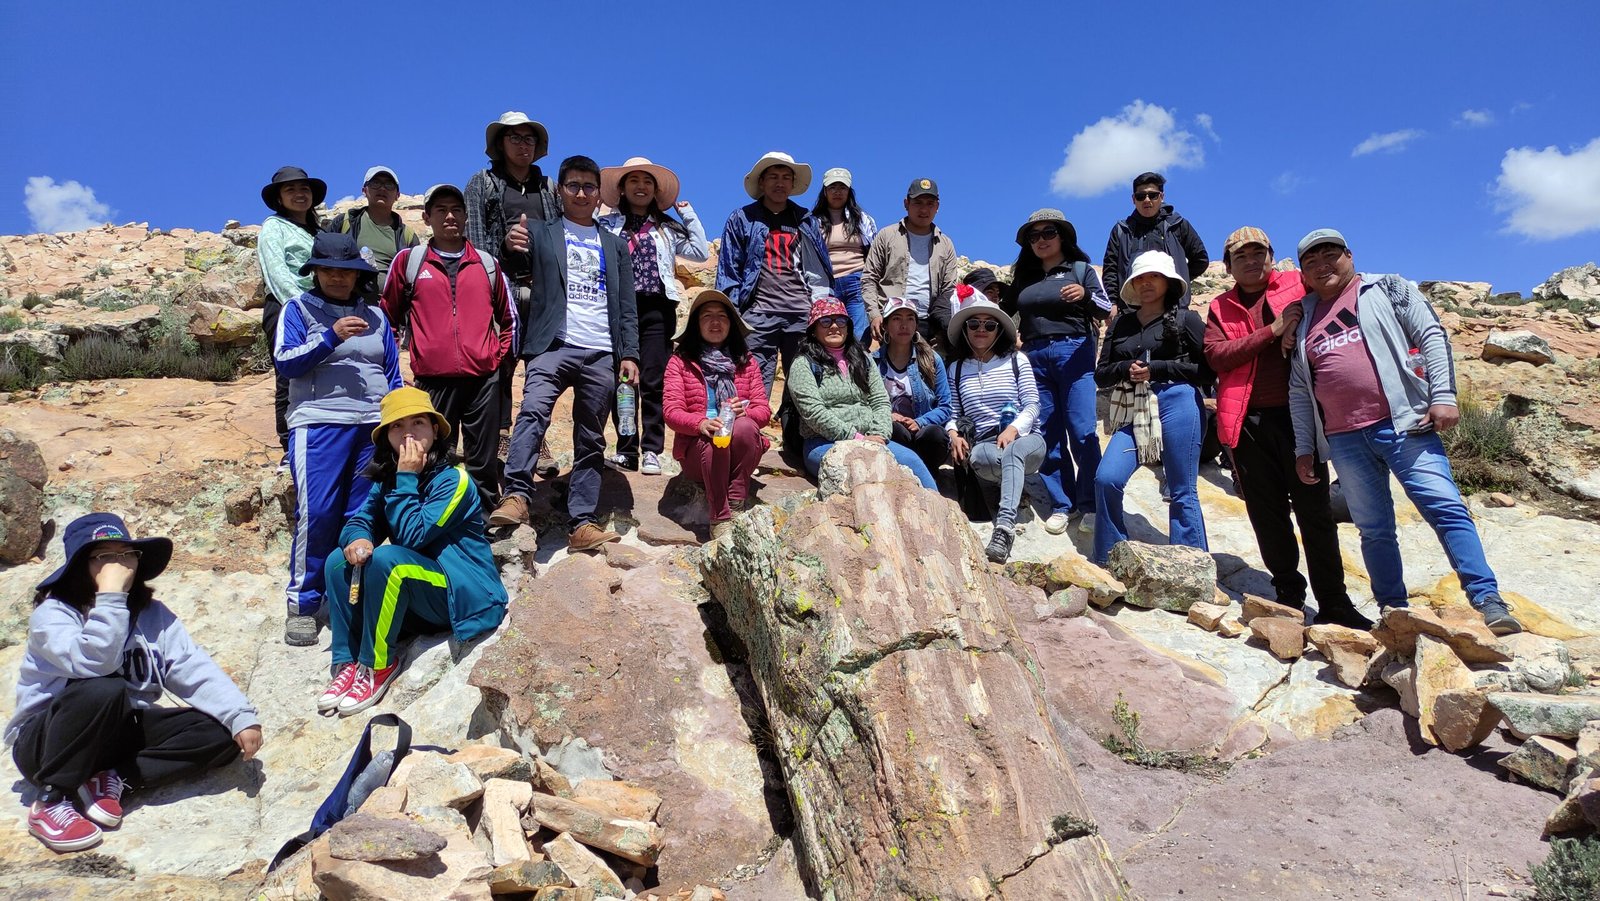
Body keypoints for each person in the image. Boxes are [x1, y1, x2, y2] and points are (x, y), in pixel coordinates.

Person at [1289, 229, 1521, 635]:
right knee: (1374, 530)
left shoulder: (1386, 288)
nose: (1322, 265)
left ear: (1349, 255)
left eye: (1331, 255)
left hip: (1404, 424)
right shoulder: (1304, 315)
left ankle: (1488, 600)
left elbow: (1430, 334)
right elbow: (1298, 386)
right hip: (1344, 437)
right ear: (1303, 273)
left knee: (1445, 509)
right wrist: (1305, 446)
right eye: (1311, 261)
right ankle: (1393, 612)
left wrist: (1443, 395)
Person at [8, 513, 261, 853]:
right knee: (104, 687)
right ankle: (53, 800)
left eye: (127, 554)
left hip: (116, 734)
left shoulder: (152, 614)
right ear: (80, 566)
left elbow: (190, 665)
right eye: (104, 557)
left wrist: (239, 716)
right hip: (48, 744)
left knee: (220, 731)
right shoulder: (54, 614)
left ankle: (113, 779)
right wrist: (110, 595)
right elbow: (95, 663)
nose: (119, 565)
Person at [1204, 228, 1370, 629]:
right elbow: (1216, 357)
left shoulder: (1299, 283)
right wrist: (1273, 331)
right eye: (1241, 256)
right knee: (1267, 513)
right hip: (1247, 422)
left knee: (1315, 511)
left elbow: (1331, 306)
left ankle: (1333, 601)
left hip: (1301, 418)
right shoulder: (1220, 306)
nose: (1251, 261)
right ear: (1228, 266)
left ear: (1271, 256)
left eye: (1258, 253)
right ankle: (1287, 594)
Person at [319, 389, 508, 716]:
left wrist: (407, 476)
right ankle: (347, 662)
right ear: (386, 437)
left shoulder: (455, 481)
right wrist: (359, 538)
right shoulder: (388, 482)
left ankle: (378, 664)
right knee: (338, 562)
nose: (408, 434)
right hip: (420, 593)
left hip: (462, 593)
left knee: (389, 561)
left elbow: (412, 536)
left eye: (418, 422)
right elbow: (361, 520)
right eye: (397, 426)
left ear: (435, 430)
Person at [490, 156, 640, 553]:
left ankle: (581, 522)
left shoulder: (615, 245)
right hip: (552, 345)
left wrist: (630, 354)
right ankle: (516, 495)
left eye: (589, 187)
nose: (581, 193)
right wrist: (509, 245)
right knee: (533, 412)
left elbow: (627, 304)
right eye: (573, 185)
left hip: (602, 351)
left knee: (591, 436)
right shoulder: (541, 231)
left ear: (599, 194)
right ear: (560, 190)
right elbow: (511, 264)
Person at [274, 233, 402, 646]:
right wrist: (330, 336)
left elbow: (392, 373)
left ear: (357, 274)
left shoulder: (377, 316)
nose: (337, 277)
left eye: (345, 271)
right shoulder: (298, 309)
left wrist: (399, 418)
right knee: (319, 512)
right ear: (315, 272)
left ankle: (348, 598)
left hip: (372, 426)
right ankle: (303, 604)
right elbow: (286, 362)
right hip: (319, 422)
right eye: (328, 270)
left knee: (360, 515)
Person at [381, 184, 516, 514]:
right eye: (441, 210)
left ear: (466, 217)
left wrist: (496, 360)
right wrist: (396, 371)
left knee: (482, 457)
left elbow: (509, 319)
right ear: (427, 217)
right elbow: (387, 318)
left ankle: (483, 519)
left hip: (482, 379)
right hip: (432, 379)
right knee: (434, 455)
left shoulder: (486, 264)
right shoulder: (410, 262)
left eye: (456, 210)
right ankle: (432, 519)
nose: (450, 216)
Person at [1092, 251, 1213, 565]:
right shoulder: (1121, 323)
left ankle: (1191, 566)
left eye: (1154, 276)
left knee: (1181, 488)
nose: (1146, 283)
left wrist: (1157, 368)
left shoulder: (1187, 319)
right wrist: (1125, 369)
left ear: (1168, 282)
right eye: (1140, 278)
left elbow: (1208, 371)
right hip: (1134, 405)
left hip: (1178, 399)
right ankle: (1109, 558)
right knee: (1106, 477)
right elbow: (1101, 374)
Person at [598, 157, 711, 475]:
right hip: (619, 308)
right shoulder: (607, 225)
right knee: (623, 381)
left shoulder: (667, 228)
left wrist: (686, 213)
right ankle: (626, 450)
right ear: (622, 188)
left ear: (656, 190)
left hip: (657, 308)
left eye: (647, 182)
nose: (641, 187)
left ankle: (651, 450)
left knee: (653, 379)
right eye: (633, 181)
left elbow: (700, 251)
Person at [465, 112, 561, 480]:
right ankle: (502, 435)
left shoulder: (548, 187)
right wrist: (502, 247)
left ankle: (535, 438)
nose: (523, 145)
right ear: (500, 144)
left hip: (542, 289)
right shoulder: (482, 183)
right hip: (499, 286)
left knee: (541, 367)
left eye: (529, 139)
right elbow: (474, 241)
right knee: (500, 363)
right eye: (515, 138)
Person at [1006, 209, 1112, 536]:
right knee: (1047, 432)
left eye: (1048, 233)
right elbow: (1003, 312)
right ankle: (1063, 503)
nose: (1041, 240)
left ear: (1062, 236)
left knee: (1081, 429)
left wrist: (1085, 295)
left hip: (1074, 351)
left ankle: (1091, 503)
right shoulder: (1024, 277)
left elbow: (1107, 309)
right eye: (1034, 236)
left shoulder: (1080, 270)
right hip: (1034, 356)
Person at [715, 151, 834, 417]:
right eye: (773, 177)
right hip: (758, 314)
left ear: (792, 183)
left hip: (801, 313)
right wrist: (731, 314)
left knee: (804, 386)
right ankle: (749, 435)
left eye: (785, 177)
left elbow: (820, 269)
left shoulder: (805, 220)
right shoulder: (742, 218)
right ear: (762, 182)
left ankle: (796, 437)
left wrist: (820, 308)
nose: (780, 183)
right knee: (751, 384)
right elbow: (729, 270)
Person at [788, 296, 937, 490]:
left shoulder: (862, 358)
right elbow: (813, 412)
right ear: (813, 329)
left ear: (848, 327)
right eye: (825, 321)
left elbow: (880, 400)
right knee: (865, 469)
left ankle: (941, 507)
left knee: (913, 462)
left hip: (872, 439)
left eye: (840, 321)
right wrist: (856, 438)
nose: (834, 326)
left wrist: (879, 434)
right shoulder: (804, 364)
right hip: (825, 442)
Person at [945, 295, 1047, 563]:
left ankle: (1004, 528)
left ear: (999, 331)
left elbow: (1033, 404)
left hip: (1026, 438)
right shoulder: (956, 369)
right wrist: (953, 434)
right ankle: (1013, 485)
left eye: (989, 325)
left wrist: (1013, 429)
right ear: (965, 329)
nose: (981, 329)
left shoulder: (1017, 360)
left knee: (1013, 452)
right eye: (974, 324)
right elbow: (953, 412)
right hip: (986, 442)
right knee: (978, 456)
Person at [662, 290, 771, 540]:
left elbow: (763, 410)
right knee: (714, 439)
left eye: (722, 316)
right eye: (707, 316)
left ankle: (735, 502)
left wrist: (746, 412)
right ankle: (719, 517)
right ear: (696, 324)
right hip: (698, 451)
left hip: (739, 446)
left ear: (731, 324)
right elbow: (671, 411)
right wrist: (700, 423)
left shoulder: (746, 361)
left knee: (745, 426)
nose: (715, 322)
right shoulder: (680, 362)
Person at [258, 166, 326, 461]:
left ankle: (317, 440)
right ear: (279, 198)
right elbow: (276, 273)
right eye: (291, 190)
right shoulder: (273, 227)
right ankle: (289, 446)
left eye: (304, 189)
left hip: (321, 308)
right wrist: (302, 309)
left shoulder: (319, 232)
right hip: (287, 308)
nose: (299, 194)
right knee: (290, 374)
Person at [862, 178, 959, 346]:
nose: (924, 209)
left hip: (928, 325)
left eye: (930, 203)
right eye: (918, 203)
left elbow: (949, 289)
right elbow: (869, 278)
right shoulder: (887, 236)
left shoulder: (945, 244)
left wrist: (942, 325)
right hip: (889, 320)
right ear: (906, 204)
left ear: (937, 206)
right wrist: (874, 315)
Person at [1101, 172, 1209, 309]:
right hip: (1130, 311)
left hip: (1173, 309)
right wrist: (1113, 302)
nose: (1147, 200)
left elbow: (1200, 259)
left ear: (1161, 197)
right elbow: (1111, 270)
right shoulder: (1121, 230)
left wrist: (1176, 280)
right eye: (1141, 196)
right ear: (1133, 199)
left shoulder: (1178, 225)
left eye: (1152, 195)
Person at [873, 296, 952, 478]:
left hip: (923, 432)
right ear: (885, 326)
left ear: (916, 325)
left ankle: (928, 477)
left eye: (910, 319)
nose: (904, 325)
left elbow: (945, 406)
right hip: (892, 431)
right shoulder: (872, 362)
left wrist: (920, 422)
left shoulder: (931, 360)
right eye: (896, 318)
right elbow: (863, 404)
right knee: (895, 429)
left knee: (936, 434)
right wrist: (887, 415)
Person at [326, 166, 421, 290]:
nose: (382, 188)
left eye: (389, 185)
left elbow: (416, 275)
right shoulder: (345, 223)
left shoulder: (407, 235)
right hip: (346, 297)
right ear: (364, 190)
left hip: (391, 300)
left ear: (397, 195)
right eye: (375, 183)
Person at [811, 168, 879, 341]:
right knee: (830, 335)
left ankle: (858, 360)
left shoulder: (863, 219)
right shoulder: (813, 222)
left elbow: (874, 253)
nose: (837, 192)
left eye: (842, 187)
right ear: (825, 191)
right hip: (827, 285)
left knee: (859, 335)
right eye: (832, 187)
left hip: (857, 280)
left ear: (849, 191)